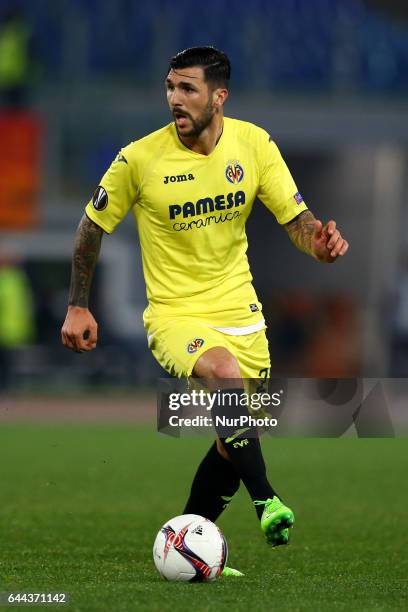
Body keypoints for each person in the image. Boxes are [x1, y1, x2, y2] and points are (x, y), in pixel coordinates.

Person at [61, 46, 349, 577]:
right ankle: (268, 502)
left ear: (220, 97)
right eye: (170, 87)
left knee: (230, 444)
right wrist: (77, 305)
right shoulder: (138, 159)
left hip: (242, 313)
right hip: (175, 315)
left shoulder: (254, 144)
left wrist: (320, 245)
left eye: (187, 89)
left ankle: (184, 547)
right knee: (223, 376)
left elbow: (296, 220)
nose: (175, 99)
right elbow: (91, 227)